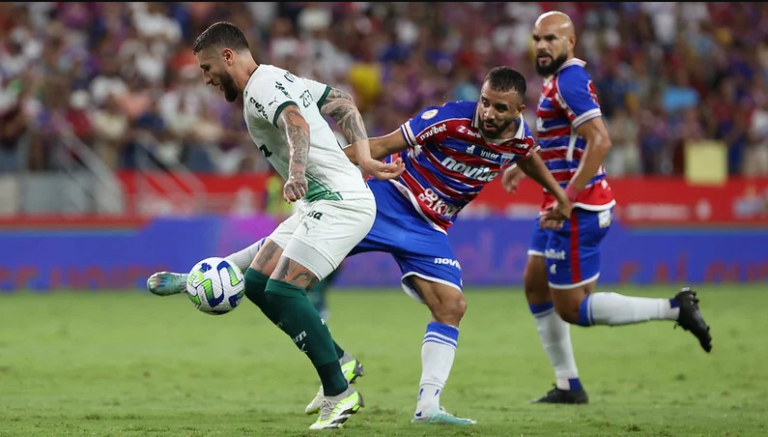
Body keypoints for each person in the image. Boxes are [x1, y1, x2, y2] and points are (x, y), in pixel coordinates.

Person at [150, 66, 574, 426]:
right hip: (385, 201)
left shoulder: (519, 137)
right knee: (279, 262)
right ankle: (200, 276)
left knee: (452, 306)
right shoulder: (447, 118)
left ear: (518, 111)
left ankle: (428, 407)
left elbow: (528, 154)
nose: (488, 112)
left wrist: (556, 192)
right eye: (485, 101)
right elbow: (384, 145)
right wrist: (336, 172)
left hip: (430, 228)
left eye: (500, 107)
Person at [187, 21, 404, 430]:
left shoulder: (261, 88)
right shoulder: (280, 77)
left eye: (207, 68)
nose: (206, 79)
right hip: (316, 203)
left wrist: (297, 172)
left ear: (228, 56)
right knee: (255, 282)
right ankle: (339, 361)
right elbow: (341, 101)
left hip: (339, 203)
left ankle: (340, 394)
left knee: (284, 290)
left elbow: (296, 124)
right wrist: (364, 156)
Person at [500, 11, 713, 405]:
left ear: (571, 42)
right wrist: (523, 167)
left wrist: (568, 198)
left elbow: (600, 141)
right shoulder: (557, 81)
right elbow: (565, 143)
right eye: (537, 38)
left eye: (551, 38)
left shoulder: (570, 81)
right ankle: (568, 385)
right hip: (558, 202)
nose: (542, 45)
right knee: (534, 282)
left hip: (576, 209)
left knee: (572, 309)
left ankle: (675, 309)